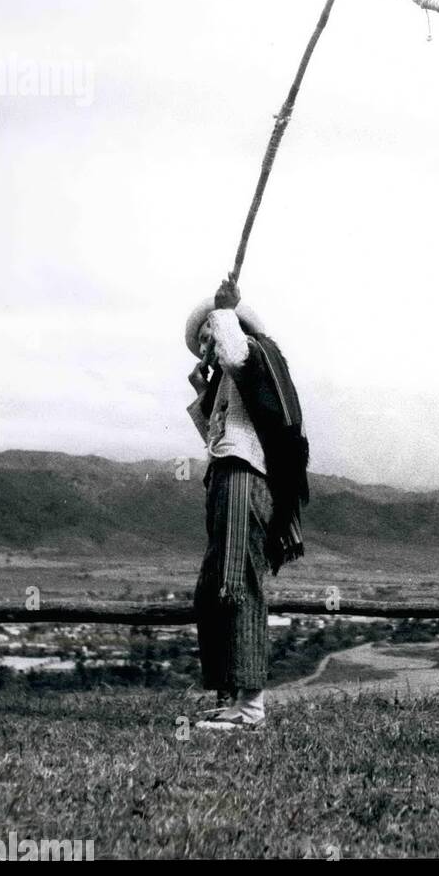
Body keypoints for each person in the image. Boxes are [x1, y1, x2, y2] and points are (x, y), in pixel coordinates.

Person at [185, 277, 309, 730]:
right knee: (214, 583)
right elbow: (219, 438)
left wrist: (224, 311)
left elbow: (235, 351)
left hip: (243, 480)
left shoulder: (256, 356)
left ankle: (250, 707)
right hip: (226, 477)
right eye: (201, 340)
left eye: (209, 335)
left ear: (230, 328)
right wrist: (204, 388)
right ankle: (232, 695)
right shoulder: (231, 381)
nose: (206, 345)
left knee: (238, 581)